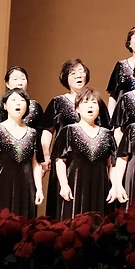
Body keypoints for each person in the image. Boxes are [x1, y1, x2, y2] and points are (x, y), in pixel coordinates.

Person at [40, 59, 111, 220]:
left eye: (81, 72)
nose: (79, 76)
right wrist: (45, 155)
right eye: (73, 73)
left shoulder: (96, 101)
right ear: (65, 77)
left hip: (92, 160)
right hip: (65, 160)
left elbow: (107, 130)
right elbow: (48, 130)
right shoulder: (57, 102)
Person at [53, 89, 118, 219]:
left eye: (94, 102)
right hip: (75, 185)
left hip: (100, 186)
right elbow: (60, 160)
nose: (90, 106)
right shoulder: (68, 131)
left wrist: (115, 186)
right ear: (77, 108)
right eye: (85, 102)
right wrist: (64, 185)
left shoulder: (107, 134)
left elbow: (111, 164)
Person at [0, 88, 44, 217]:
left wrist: (39, 189)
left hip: (26, 186)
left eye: (22, 100)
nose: (18, 103)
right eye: (13, 100)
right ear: (5, 105)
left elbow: (36, 163)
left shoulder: (33, 133)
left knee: (25, 223)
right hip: (1, 185)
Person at [0, 66, 43, 141]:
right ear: (7, 84)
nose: (20, 83)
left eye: (23, 79)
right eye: (15, 79)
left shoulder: (35, 106)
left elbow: (40, 134)